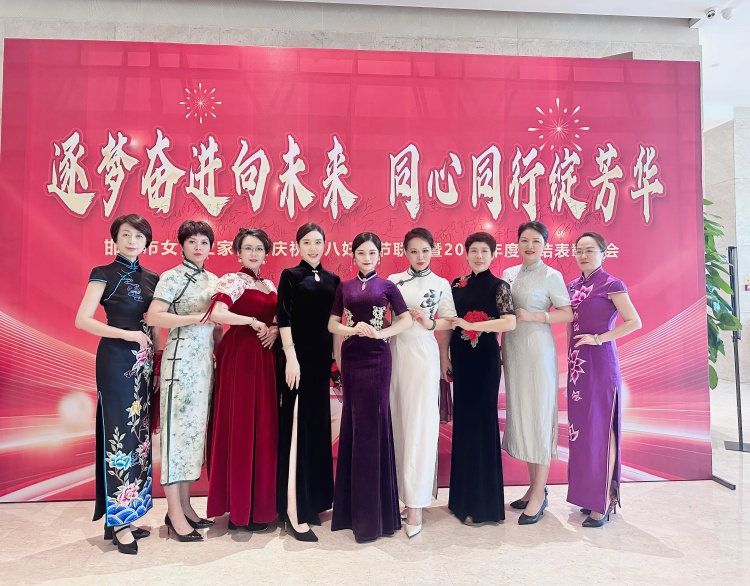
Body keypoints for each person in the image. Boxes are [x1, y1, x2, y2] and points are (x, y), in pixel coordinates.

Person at [75, 214, 160, 555]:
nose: (132, 241)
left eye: (139, 236)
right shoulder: (103, 273)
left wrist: (155, 364)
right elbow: (83, 320)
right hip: (115, 360)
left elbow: (154, 324)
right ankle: (118, 523)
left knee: (139, 439)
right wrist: (126, 335)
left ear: (146, 242)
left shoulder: (152, 278)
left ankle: (127, 515)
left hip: (144, 364)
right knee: (119, 435)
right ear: (115, 239)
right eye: (126, 235)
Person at [327, 232, 413, 543]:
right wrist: (351, 329)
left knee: (374, 426)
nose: (366, 258)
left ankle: (377, 514)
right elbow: (332, 324)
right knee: (353, 425)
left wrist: (381, 333)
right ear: (353, 255)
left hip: (378, 358)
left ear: (380, 255)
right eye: (361, 253)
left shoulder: (388, 286)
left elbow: (406, 320)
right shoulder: (344, 287)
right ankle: (352, 512)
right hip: (352, 358)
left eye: (372, 253)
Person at [145, 220, 220, 542]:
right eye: (192, 241)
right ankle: (174, 512)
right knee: (176, 437)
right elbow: (154, 316)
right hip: (179, 365)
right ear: (182, 245)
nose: (198, 247)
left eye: (204, 242)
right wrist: (194, 318)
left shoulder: (213, 280)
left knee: (192, 437)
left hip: (203, 366)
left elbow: (217, 324)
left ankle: (186, 506)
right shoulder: (171, 277)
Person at [204, 227, 279, 532]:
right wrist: (250, 321)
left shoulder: (269, 283)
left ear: (266, 253)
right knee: (241, 425)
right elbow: (217, 314)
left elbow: (277, 318)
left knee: (263, 426)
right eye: (248, 248)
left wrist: (274, 329)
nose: (254, 253)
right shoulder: (232, 280)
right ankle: (239, 508)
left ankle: (259, 506)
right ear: (238, 253)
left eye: (259, 248)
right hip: (241, 357)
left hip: (265, 358)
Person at [566, 232, 641, 527]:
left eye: (590, 250)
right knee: (582, 431)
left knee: (602, 429)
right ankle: (588, 495)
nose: (583, 255)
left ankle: (605, 499)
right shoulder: (572, 286)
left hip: (600, 364)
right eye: (579, 250)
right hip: (577, 366)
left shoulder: (612, 284)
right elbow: (568, 321)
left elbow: (634, 321)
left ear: (603, 253)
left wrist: (600, 338)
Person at [501, 221, 573, 525]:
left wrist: (535, 316)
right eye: (524, 240)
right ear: (516, 243)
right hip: (513, 351)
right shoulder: (509, 274)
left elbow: (568, 312)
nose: (529, 246)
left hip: (538, 352)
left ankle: (540, 493)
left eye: (536, 241)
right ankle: (534, 488)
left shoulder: (551, 275)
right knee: (525, 418)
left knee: (540, 418)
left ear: (545, 245)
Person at [387, 228, 456, 537]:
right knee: (397, 425)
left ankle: (416, 503)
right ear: (405, 252)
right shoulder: (393, 281)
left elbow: (449, 320)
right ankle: (399, 496)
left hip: (424, 357)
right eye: (413, 251)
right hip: (394, 355)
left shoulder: (440, 284)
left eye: (425, 250)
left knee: (420, 427)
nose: (419, 256)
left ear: (433, 251)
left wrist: (430, 323)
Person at [276, 222, 341, 542]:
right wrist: (290, 357)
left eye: (318, 242)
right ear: (298, 246)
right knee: (297, 430)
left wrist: (337, 363)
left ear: (325, 245)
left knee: (317, 430)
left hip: (320, 364)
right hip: (297, 363)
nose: (313, 247)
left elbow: (335, 323)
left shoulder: (333, 280)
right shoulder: (290, 275)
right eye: (307, 242)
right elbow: (284, 317)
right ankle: (294, 510)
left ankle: (314, 501)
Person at [446, 231, 516, 525]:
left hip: (485, 361)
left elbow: (509, 322)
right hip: (461, 360)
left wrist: (474, 325)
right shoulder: (456, 284)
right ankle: (460, 501)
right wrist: (444, 356)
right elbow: (449, 323)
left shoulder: (500, 286)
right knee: (464, 424)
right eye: (474, 250)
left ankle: (483, 506)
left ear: (493, 255)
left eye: (484, 251)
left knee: (483, 424)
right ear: (466, 254)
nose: (478, 256)